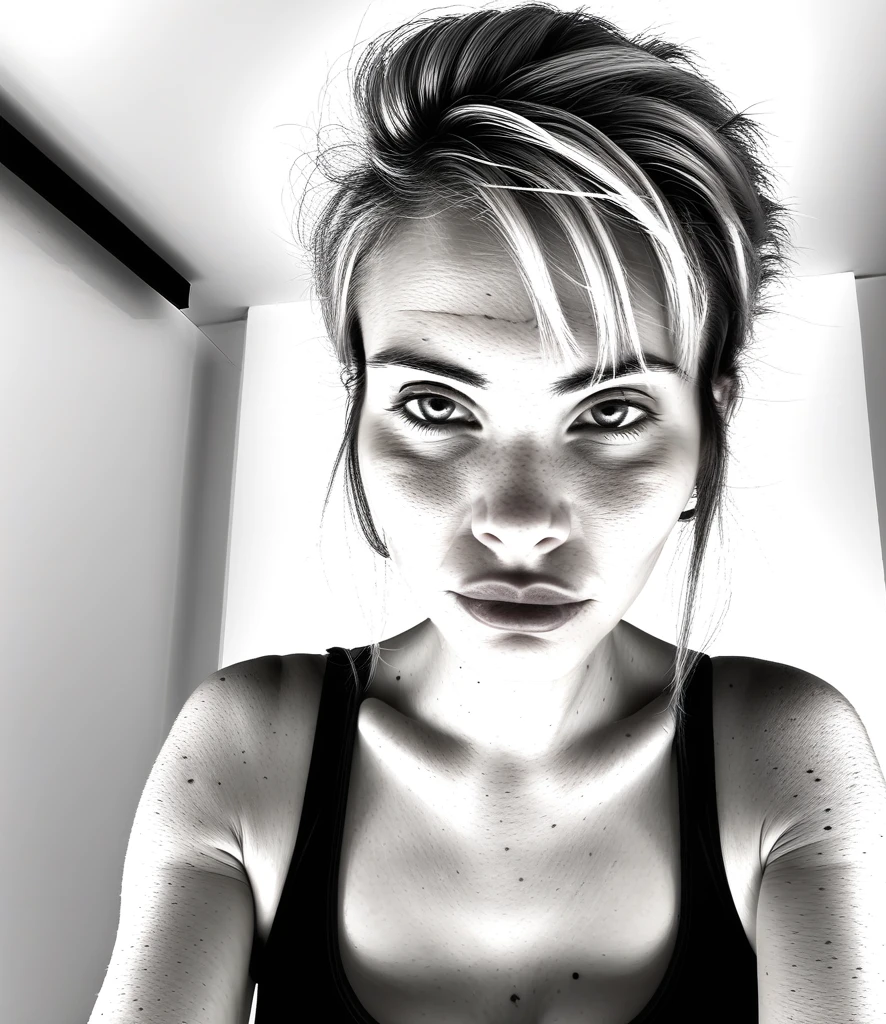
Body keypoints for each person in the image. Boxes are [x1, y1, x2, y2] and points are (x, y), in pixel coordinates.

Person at [89, 4, 796, 1022]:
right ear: (358, 413)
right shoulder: (247, 746)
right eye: (435, 406)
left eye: (609, 411)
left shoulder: (785, 757)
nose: (517, 520)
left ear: (707, 432)